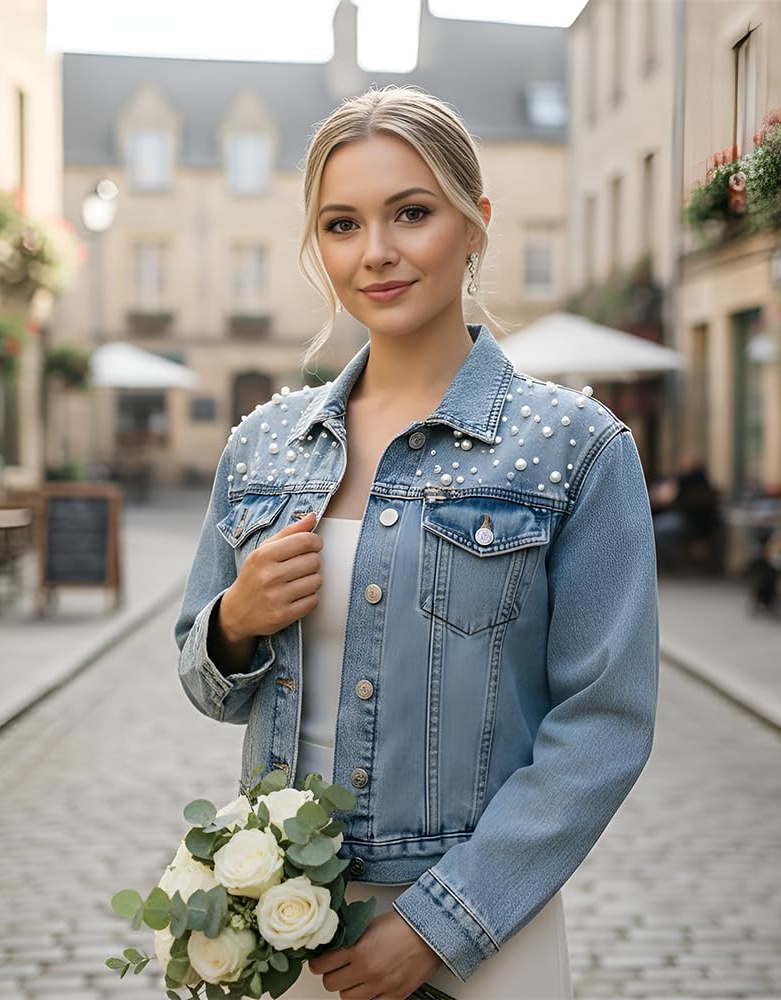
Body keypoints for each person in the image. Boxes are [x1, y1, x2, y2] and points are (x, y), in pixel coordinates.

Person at [175, 85, 659, 1000]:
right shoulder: (264, 446)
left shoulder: (576, 450)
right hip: (282, 923)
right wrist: (234, 620)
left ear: (476, 222)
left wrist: (438, 925)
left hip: (484, 934)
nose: (378, 252)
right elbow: (203, 681)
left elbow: (604, 725)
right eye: (342, 224)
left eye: (412, 212)